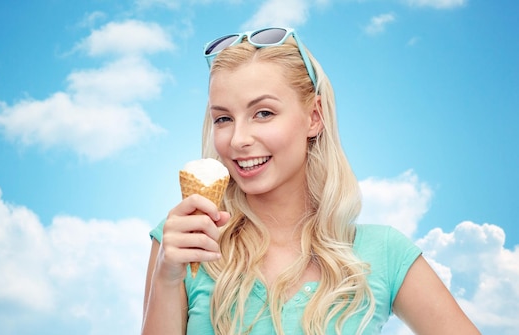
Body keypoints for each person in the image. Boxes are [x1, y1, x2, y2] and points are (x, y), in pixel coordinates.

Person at [141, 27, 480, 335]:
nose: (237, 139)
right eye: (224, 118)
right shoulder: (184, 242)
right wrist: (168, 277)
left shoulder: (385, 253)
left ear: (314, 118)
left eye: (264, 113)